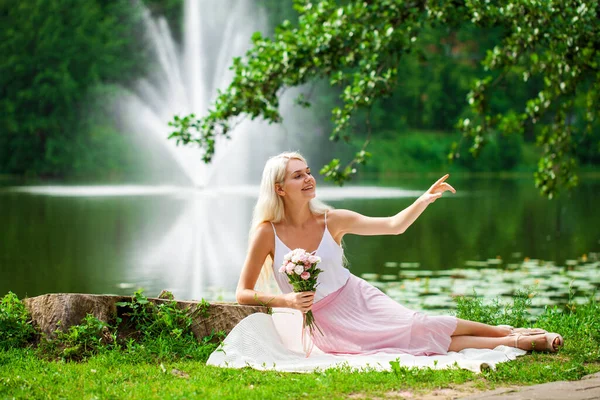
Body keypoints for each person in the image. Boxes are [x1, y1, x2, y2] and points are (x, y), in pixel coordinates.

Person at [235, 151, 563, 355]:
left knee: (418, 326)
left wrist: (423, 199)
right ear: (280, 188)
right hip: (328, 322)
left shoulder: (332, 219)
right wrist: (288, 301)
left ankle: (509, 335)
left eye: (308, 171)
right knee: (416, 337)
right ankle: (514, 341)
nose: (309, 178)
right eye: (298, 175)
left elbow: (393, 225)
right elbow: (243, 293)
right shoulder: (267, 232)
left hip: (359, 297)